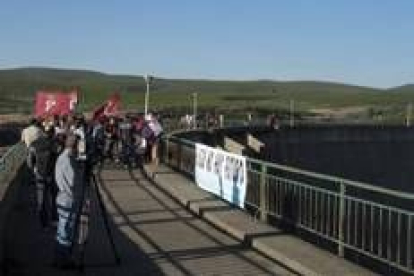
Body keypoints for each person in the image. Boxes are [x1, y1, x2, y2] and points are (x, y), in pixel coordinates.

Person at [54, 134, 82, 269]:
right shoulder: (68, 160)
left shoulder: (62, 157)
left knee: (61, 228)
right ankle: (64, 260)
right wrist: (80, 171)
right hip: (68, 198)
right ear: (75, 146)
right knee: (66, 230)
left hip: (62, 196)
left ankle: (59, 257)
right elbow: (72, 181)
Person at [28, 126, 58, 229]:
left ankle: (43, 223)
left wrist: (34, 169)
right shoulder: (55, 143)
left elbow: (30, 161)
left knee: (41, 200)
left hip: (40, 175)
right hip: (52, 174)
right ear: (51, 132)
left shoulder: (34, 144)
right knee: (54, 198)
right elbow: (58, 159)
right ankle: (54, 219)